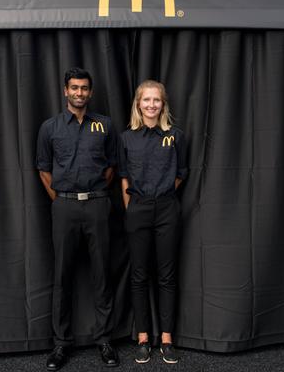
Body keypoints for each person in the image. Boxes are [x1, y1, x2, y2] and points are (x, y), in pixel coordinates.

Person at [36, 67, 120, 370]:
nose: (79, 93)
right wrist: (61, 200)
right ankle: (60, 344)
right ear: (65, 91)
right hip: (65, 208)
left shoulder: (105, 126)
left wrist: (95, 194)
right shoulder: (50, 128)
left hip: (97, 205)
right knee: (62, 275)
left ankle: (105, 340)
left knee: (102, 274)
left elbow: (112, 167)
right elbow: (44, 169)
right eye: (74, 88)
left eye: (84, 88)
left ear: (91, 92)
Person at [118, 80, 187, 365]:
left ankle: (167, 339)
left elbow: (181, 172)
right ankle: (144, 338)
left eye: (156, 100)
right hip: (138, 209)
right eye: (146, 100)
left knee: (167, 275)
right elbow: (123, 176)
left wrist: (163, 196)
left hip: (167, 208)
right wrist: (132, 208)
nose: (151, 105)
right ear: (138, 104)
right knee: (139, 275)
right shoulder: (126, 138)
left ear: (163, 104)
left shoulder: (175, 136)